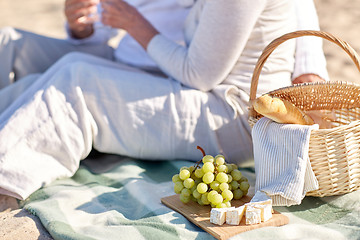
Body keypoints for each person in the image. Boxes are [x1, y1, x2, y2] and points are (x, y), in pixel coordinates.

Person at [0, 0, 325, 200]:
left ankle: (5, 179)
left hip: (233, 116)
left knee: (76, 82)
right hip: (208, 94)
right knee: (71, 67)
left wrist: (133, 23)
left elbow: (198, 73)